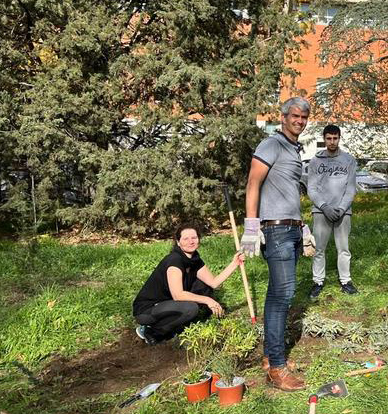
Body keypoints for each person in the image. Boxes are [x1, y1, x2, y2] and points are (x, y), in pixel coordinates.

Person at [241, 97, 310, 391]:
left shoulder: (294, 149)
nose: (300, 121)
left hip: (291, 228)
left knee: (277, 296)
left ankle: (271, 357)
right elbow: (253, 183)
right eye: (295, 115)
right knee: (284, 295)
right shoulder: (272, 144)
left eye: (304, 117)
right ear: (283, 117)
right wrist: (251, 227)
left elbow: (286, 194)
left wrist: (303, 226)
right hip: (276, 230)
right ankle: (278, 370)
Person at [133, 224, 244, 346]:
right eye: (186, 239)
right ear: (178, 242)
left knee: (204, 287)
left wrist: (234, 264)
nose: (191, 242)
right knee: (190, 308)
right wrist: (208, 300)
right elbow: (178, 295)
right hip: (147, 310)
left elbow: (214, 283)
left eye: (194, 238)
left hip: (167, 305)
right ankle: (152, 331)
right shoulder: (175, 261)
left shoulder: (194, 259)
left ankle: (175, 326)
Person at [307, 124, 359, 299]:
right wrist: (324, 207)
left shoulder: (349, 160)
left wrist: (342, 208)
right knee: (319, 248)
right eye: (328, 138)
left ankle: (346, 281)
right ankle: (318, 281)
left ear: (339, 138)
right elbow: (312, 189)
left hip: (343, 212)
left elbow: (351, 189)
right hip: (321, 212)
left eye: (335, 138)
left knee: (343, 248)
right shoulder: (315, 161)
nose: (332, 142)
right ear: (324, 139)